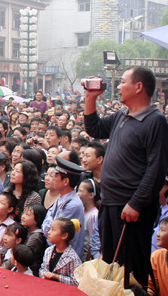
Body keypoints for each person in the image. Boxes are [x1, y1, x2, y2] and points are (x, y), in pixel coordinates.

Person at [84, 66, 168, 288]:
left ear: (138, 86)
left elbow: (156, 169)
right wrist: (90, 97)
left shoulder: (156, 121)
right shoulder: (122, 114)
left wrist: (136, 203)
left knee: (131, 269)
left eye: (122, 82)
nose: (118, 87)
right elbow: (94, 128)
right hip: (111, 202)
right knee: (111, 263)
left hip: (131, 208)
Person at [42, 157, 85, 260]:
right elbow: (47, 221)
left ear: (65, 181)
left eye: (56, 176)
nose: (52, 179)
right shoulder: (62, 197)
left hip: (66, 258)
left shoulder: (72, 204)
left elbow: (53, 231)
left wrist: (48, 226)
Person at [40, 218, 82, 286]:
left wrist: (57, 276)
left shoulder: (72, 258)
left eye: (53, 230)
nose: (49, 232)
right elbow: (42, 269)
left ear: (64, 235)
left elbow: (76, 282)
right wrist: (44, 275)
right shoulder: (48, 251)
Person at [21, 203, 48, 276]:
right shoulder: (25, 230)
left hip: (31, 271)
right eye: (23, 213)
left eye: (27, 215)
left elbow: (22, 254)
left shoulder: (36, 237)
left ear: (36, 220)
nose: (23, 216)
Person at [77, 179, 100, 260]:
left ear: (91, 195)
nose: (77, 193)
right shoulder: (81, 210)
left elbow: (92, 241)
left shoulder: (94, 215)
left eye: (80, 191)